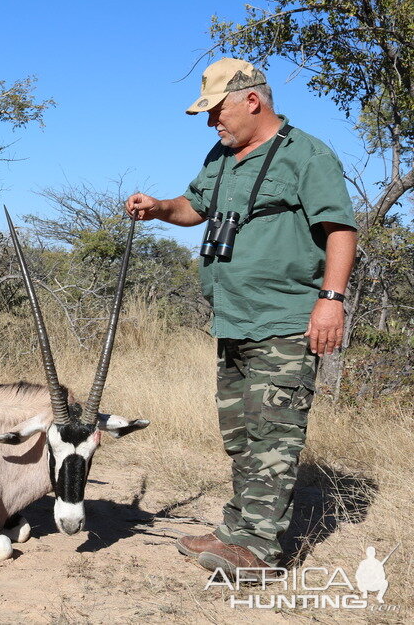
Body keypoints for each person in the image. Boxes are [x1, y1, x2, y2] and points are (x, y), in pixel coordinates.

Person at [125, 58, 357, 574]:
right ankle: (236, 528)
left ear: (252, 101)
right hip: (233, 320)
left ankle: (257, 550)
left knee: (274, 433)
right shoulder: (223, 154)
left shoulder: (308, 156)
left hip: (286, 319)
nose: (213, 123)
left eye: (217, 111)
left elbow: (340, 229)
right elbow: (194, 207)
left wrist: (331, 300)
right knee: (241, 432)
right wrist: (159, 206)